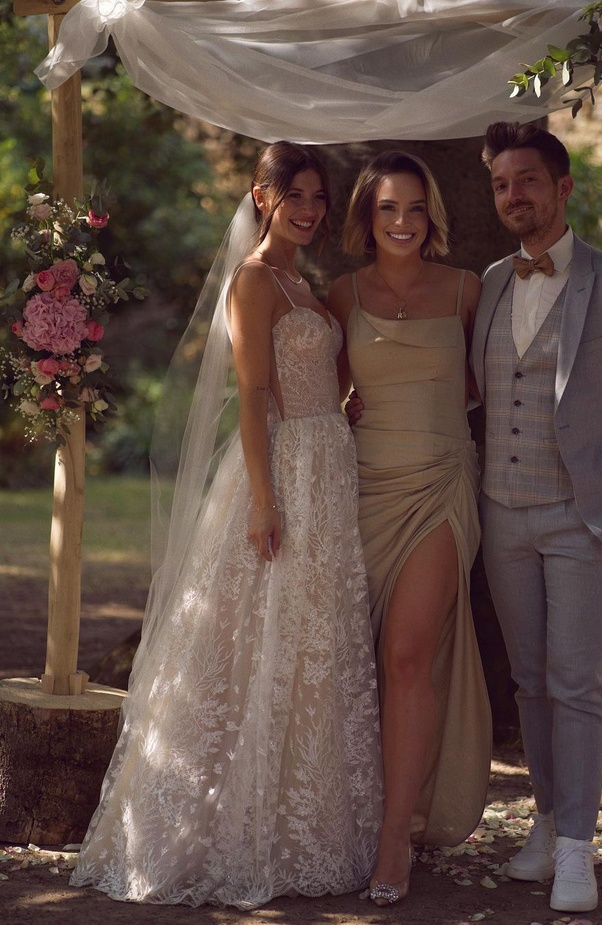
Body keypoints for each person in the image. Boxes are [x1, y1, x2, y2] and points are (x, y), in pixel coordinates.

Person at [70, 142, 383, 909]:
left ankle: (300, 819)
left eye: (317, 197)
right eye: (294, 195)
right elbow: (252, 395)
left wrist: (343, 405)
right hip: (281, 469)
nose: (308, 209)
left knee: (311, 634)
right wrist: (265, 499)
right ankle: (229, 826)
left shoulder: (303, 282)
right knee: (257, 636)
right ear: (262, 196)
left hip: (326, 466)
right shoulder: (254, 280)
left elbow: (318, 373)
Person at [471, 121, 602, 914]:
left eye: (527, 180)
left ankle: (576, 850)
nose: (513, 196)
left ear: (563, 188)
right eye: (502, 184)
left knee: (576, 684)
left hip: (583, 516)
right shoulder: (490, 282)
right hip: (502, 513)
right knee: (529, 682)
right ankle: (545, 820)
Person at [329, 150, 492, 907]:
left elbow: (490, 383)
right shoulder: (341, 294)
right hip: (364, 489)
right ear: (367, 216)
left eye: (416, 207)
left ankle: (398, 836)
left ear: (433, 215)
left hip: (439, 487)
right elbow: (324, 396)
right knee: (354, 662)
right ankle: (352, 819)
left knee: (406, 655)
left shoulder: (467, 290)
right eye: (388, 207)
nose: (403, 221)